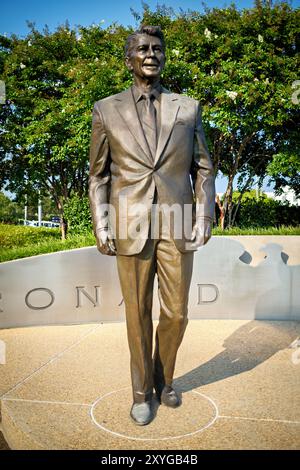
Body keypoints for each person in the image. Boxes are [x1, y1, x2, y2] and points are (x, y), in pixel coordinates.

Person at [89, 25, 215, 426]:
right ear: (129, 58)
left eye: (157, 49)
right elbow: (98, 176)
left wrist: (205, 215)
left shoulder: (188, 108)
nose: (150, 54)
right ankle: (142, 392)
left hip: (177, 223)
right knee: (137, 313)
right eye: (142, 48)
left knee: (176, 313)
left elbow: (204, 169)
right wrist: (102, 223)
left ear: (164, 56)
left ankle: (165, 379)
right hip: (130, 223)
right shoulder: (105, 109)